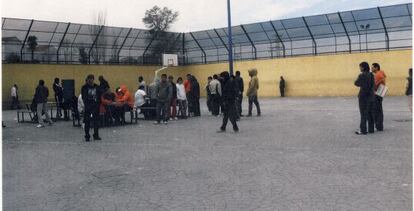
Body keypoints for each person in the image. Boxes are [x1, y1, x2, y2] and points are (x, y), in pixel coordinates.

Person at [354, 62, 375, 135]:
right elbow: (373, 85)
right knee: (370, 113)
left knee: (363, 113)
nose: (359, 68)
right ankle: (371, 129)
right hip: (371, 96)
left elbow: (356, 83)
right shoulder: (371, 75)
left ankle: (363, 130)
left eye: (360, 67)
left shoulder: (361, 75)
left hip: (363, 97)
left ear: (363, 67)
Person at [81, 74, 101, 141]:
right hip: (88, 107)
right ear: (88, 79)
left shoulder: (97, 87)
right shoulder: (84, 87)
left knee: (96, 122)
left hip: (95, 106)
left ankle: (96, 135)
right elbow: (83, 97)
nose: (90, 80)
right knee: (87, 122)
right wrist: (86, 104)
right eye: (89, 79)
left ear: (93, 79)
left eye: (91, 79)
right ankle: (87, 135)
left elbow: (99, 96)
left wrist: (98, 104)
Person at [372, 63, 386, 131]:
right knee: (379, 109)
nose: (371, 69)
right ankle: (379, 125)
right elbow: (384, 78)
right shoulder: (381, 72)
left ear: (376, 68)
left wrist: (374, 86)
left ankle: (379, 125)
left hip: (378, 92)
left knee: (377, 109)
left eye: (373, 67)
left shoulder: (378, 74)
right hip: (382, 91)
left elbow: (379, 81)